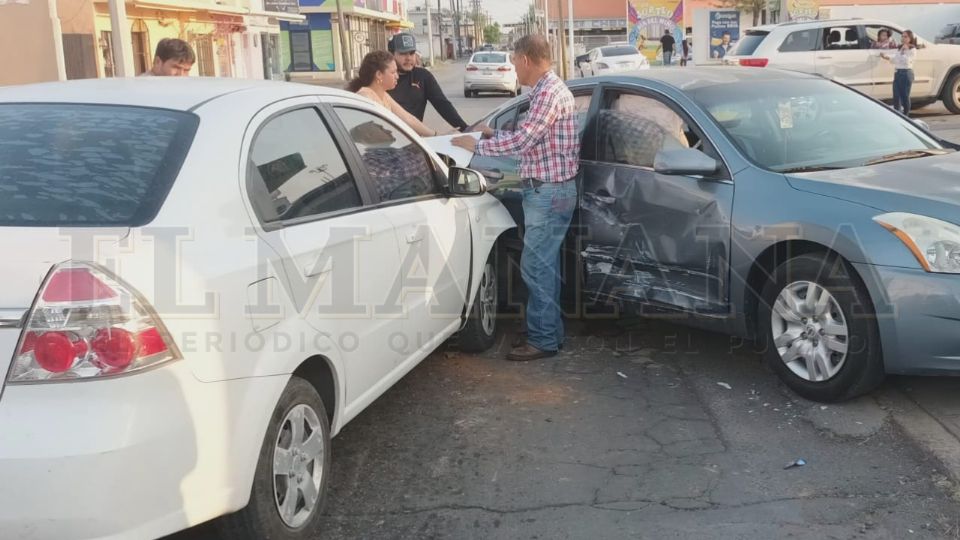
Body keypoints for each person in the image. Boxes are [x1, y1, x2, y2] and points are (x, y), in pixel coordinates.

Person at [451, 34, 580, 362]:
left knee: (536, 267)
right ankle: (547, 330)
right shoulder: (546, 91)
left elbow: (524, 141)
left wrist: (477, 146)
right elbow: (533, 139)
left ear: (525, 59)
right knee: (543, 266)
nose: (512, 67)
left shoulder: (548, 93)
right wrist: (496, 134)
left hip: (549, 192)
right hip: (549, 190)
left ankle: (543, 339)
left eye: (513, 60)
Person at [387, 33, 469, 132]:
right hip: (384, 141)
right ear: (391, 54)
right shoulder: (382, 78)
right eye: (403, 54)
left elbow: (442, 104)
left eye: (412, 53)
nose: (408, 58)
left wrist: (465, 128)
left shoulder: (423, 76)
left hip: (413, 140)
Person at [346, 51, 438, 137]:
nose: (397, 76)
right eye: (393, 72)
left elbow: (408, 119)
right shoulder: (366, 97)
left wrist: (435, 135)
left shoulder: (383, 95)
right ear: (379, 75)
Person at [881, 29, 917, 115]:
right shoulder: (900, 47)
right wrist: (887, 57)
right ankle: (899, 115)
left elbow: (907, 61)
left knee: (905, 96)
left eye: (905, 37)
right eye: (902, 36)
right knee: (896, 97)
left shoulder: (912, 49)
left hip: (906, 73)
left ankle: (906, 115)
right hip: (897, 73)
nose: (903, 38)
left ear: (910, 38)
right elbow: (896, 59)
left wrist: (904, 51)